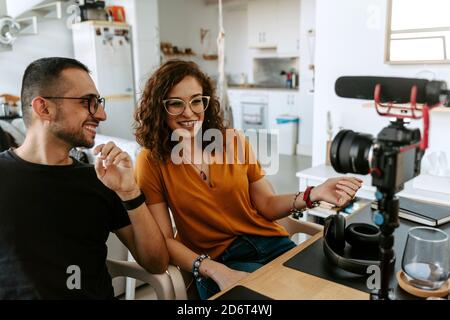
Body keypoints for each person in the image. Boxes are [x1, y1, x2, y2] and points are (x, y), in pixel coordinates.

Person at [134, 60, 362, 300]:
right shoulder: (151, 161)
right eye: (175, 104)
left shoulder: (232, 141)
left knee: (330, 292)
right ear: (160, 108)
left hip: (270, 243)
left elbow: (266, 204)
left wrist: (312, 194)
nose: (189, 112)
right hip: (218, 261)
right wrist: (215, 270)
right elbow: (165, 240)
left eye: (196, 100)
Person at [0, 57, 169, 299]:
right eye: (87, 102)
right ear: (44, 108)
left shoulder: (100, 180)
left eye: (98, 103)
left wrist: (130, 192)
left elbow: (157, 263)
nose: (101, 115)